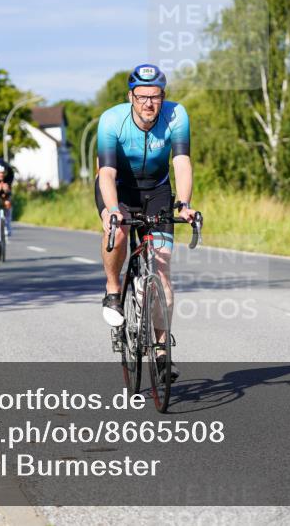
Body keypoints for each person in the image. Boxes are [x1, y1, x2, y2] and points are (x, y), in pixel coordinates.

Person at [95, 63, 194, 380]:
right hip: (119, 187)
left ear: (163, 96)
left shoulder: (177, 115)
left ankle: (162, 352)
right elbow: (106, 172)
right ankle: (113, 289)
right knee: (119, 232)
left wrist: (184, 204)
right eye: (142, 97)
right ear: (131, 97)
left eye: (155, 96)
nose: (149, 103)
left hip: (158, 190)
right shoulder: (111, 120)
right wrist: (112, 210)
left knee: (162, 269)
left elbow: (181, 161)